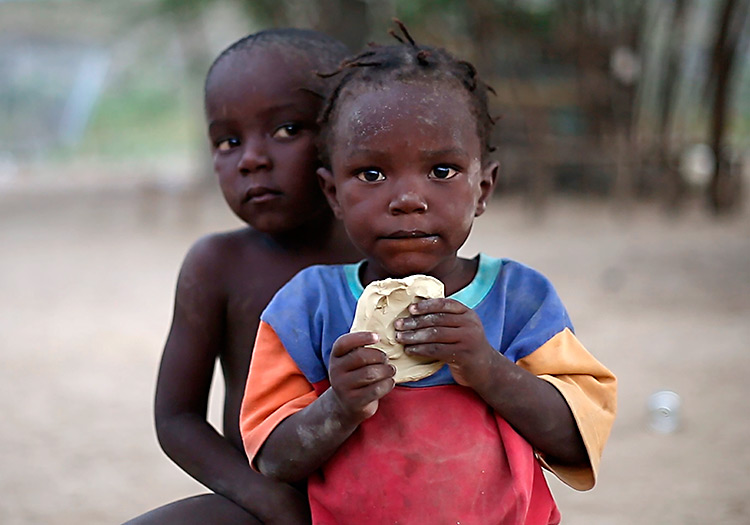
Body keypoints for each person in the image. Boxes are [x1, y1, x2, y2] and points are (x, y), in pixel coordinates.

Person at [239, 22, 617, 524]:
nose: (408, 200)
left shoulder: (520, 299)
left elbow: (577, 434)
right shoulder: (308, 306)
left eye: (441, 171)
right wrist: (338, 407)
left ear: (483, 188)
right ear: (332, 193)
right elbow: (271, 458)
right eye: (372, 174)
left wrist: (486, 367)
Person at [125, 28, 360, 525]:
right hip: (268, 502)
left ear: (347, 132)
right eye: (228, 141)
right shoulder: (217, 266)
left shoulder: (392, 253)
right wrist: (270, 501)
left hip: (390, 497)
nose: (251, 159)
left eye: (287, 130)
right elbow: (177, 418)